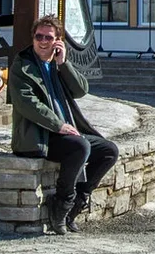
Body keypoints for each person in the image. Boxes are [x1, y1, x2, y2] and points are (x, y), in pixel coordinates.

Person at [8, 15, 117, 234]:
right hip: (38, 137)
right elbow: (27, 103)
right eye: (38, 36)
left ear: (58, 41)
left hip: (63, 133)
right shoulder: (22, 65)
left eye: (48, 37)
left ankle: (78, 202)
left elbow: (80, 90)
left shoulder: (57, 64)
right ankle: (61, 205)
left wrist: (63, 63)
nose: (42, 41)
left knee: (108, 150)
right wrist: (58, 125)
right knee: (80, 146)